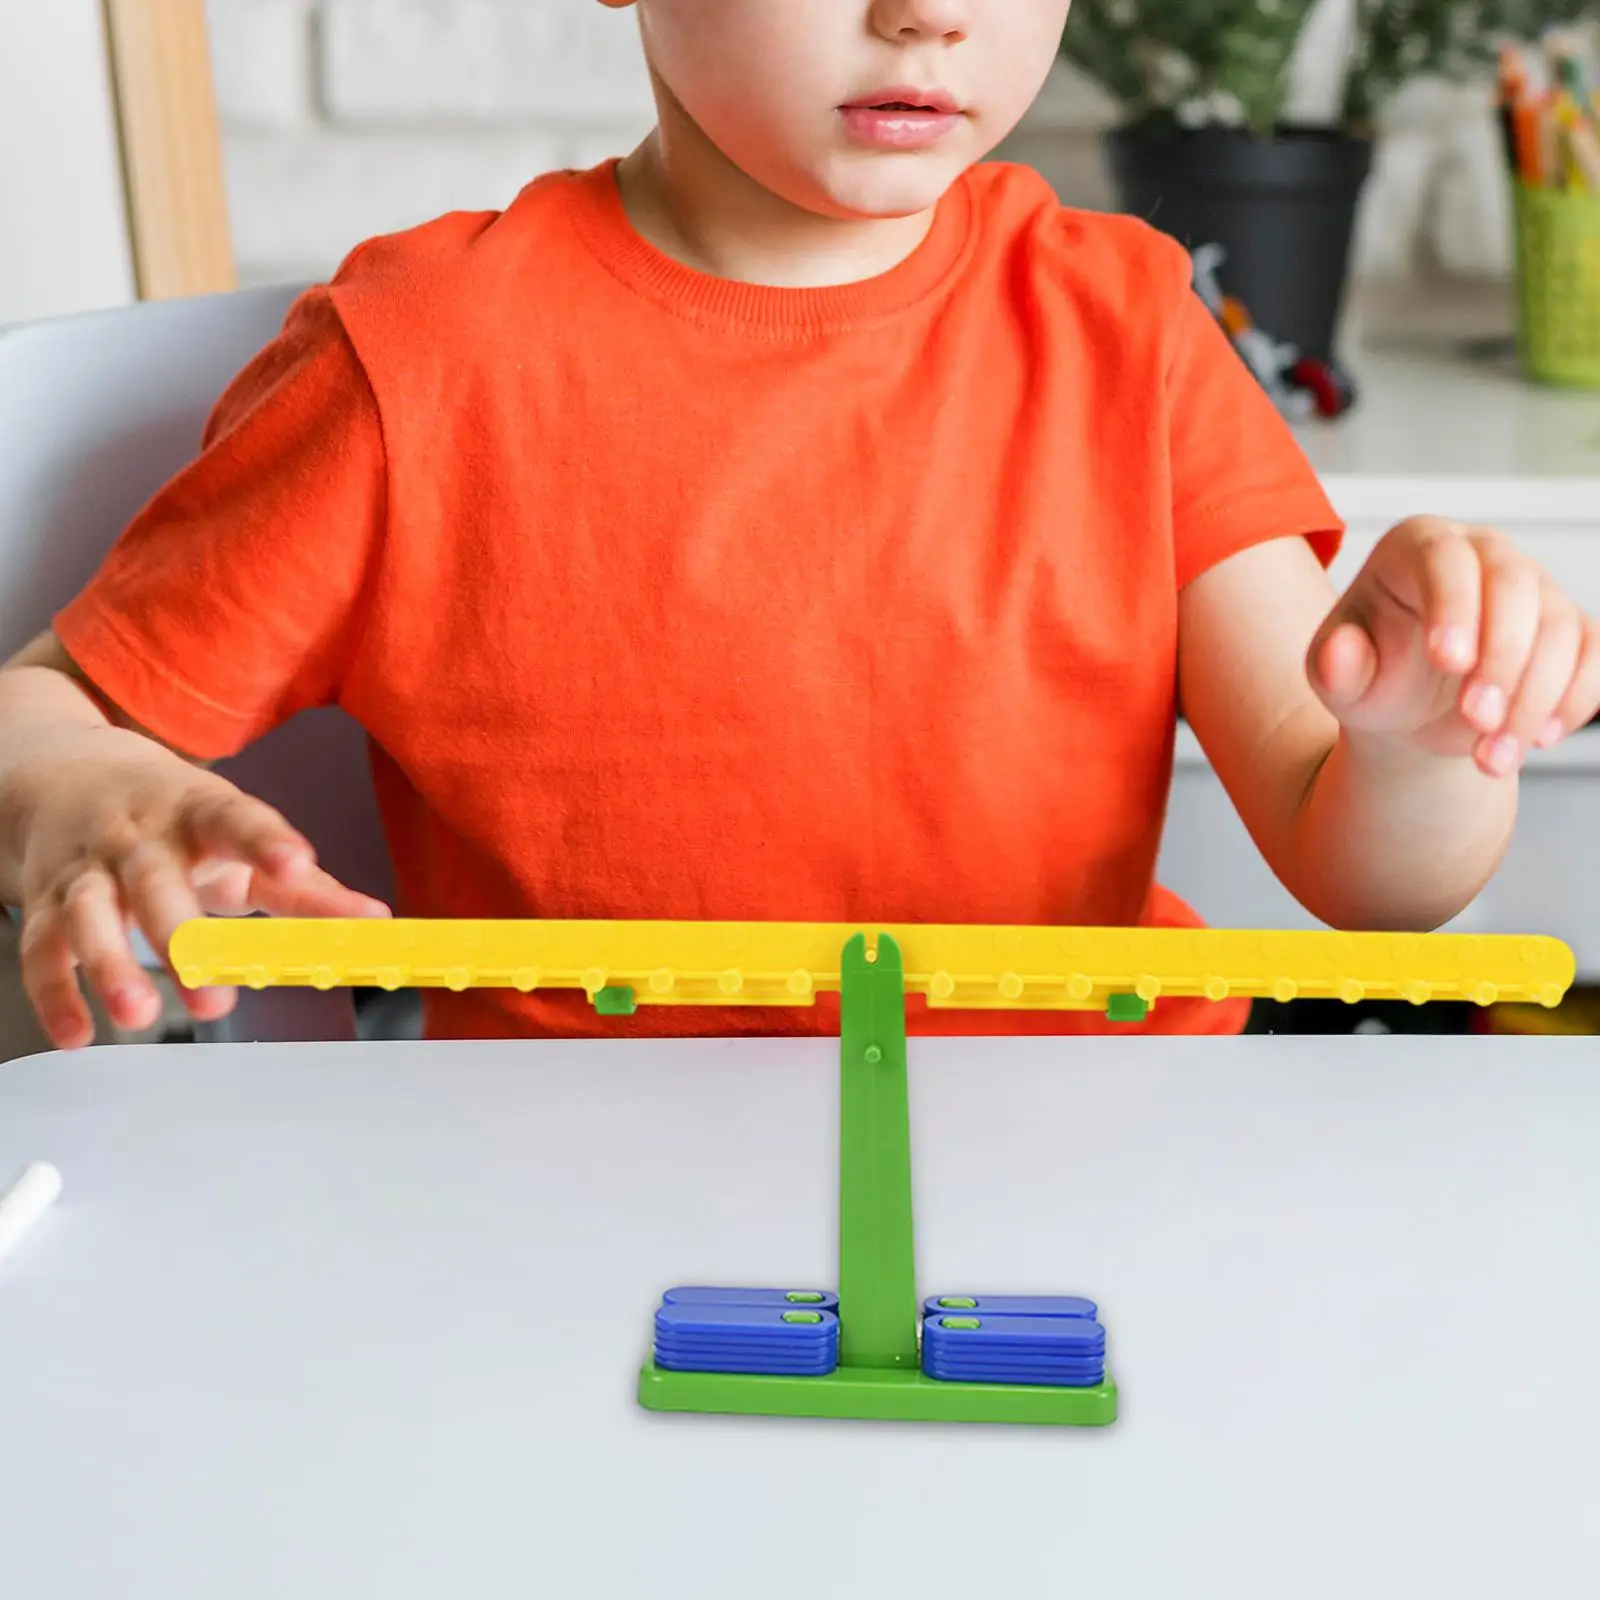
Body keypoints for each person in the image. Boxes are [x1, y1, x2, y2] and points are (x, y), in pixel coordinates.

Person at [1, 0, 1595, 1050]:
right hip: (557, 1207)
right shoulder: (418, 362)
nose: (924, 9)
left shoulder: (1132, 329)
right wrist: (82, 792)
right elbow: (41, 706)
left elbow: (1372, 878)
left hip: (1098, 1169)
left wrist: (1422, 737)